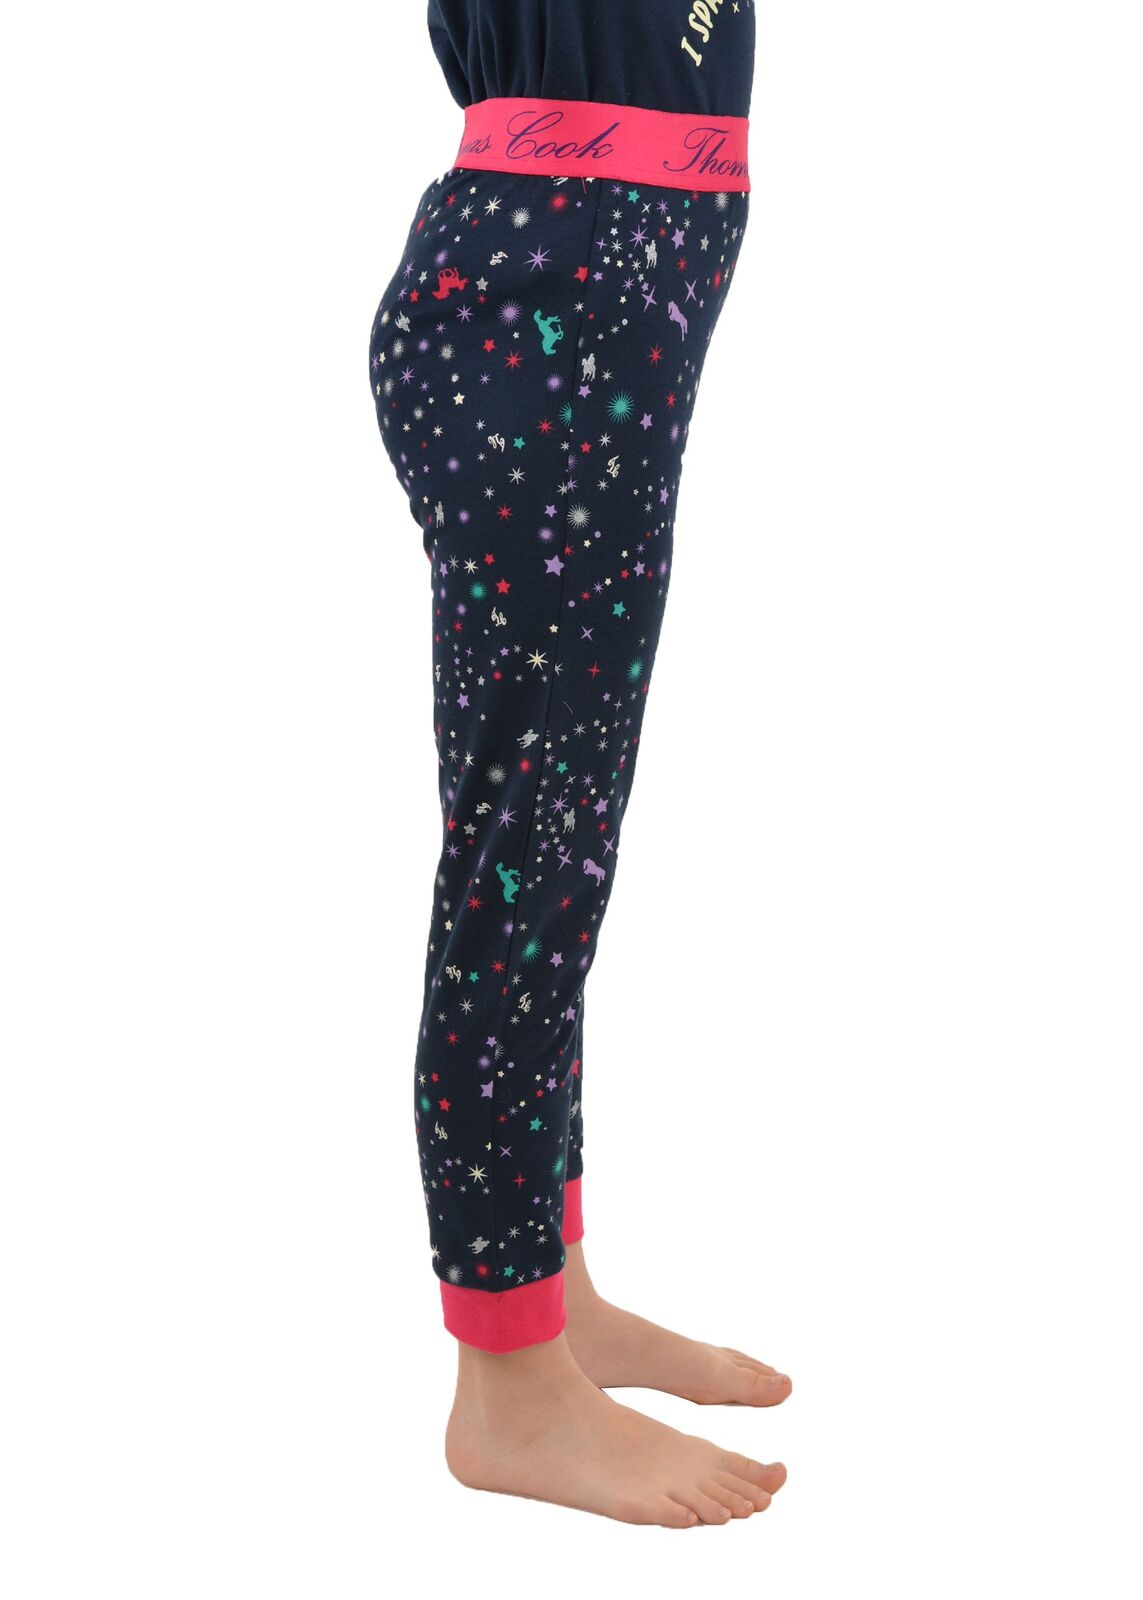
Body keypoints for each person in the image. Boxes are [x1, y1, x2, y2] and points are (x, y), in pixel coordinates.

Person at [367, 0, 790, 1527]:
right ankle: (509, 1389)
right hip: (548, 295)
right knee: (529, 865)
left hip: (601, 298)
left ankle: (552, 1289)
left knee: (556, 853)